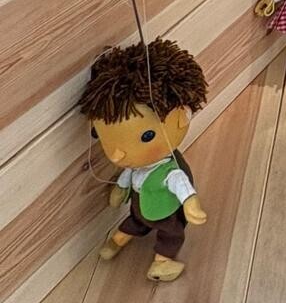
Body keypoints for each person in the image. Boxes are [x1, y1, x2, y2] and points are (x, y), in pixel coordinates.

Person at [79, 38, 209, 282]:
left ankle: (162, 260)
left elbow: (182, 186)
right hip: (139, 208)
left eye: (146, 136)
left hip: (166, 212)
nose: (116, 155)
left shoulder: (170, 171)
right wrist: (120, 189)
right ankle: (116, 241)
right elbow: (128, 175)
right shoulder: (134, 166)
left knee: (171, 234)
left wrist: (190, 204)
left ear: (182, 116)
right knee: (134, 222)